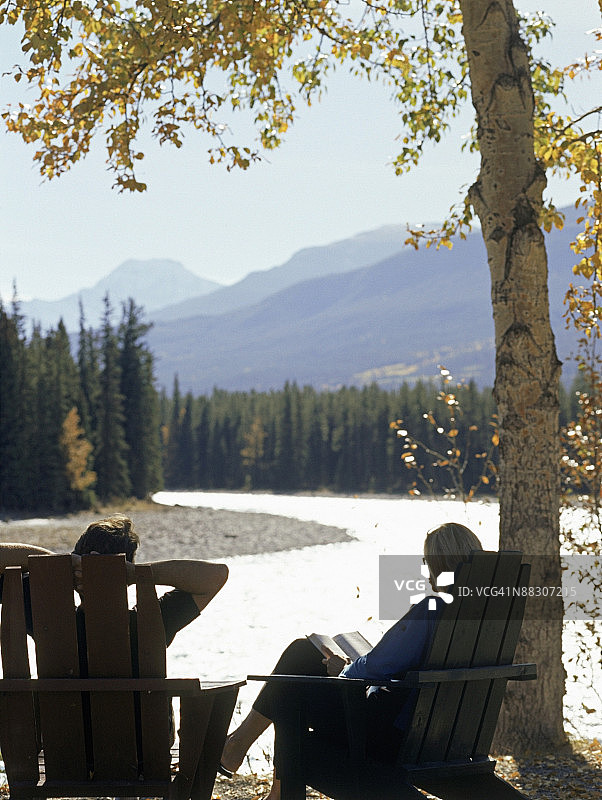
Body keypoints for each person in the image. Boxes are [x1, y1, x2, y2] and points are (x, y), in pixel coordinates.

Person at [220, 522, 483, 800]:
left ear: (440, 564)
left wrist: (342, 669)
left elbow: (377, 667)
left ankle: (256, 768)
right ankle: (246, 758)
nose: (425, 569)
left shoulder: (432, 611)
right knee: (303, 656)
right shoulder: (486, 616)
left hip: (386, 734)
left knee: (292, 681)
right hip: (442, 735)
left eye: (427, 561)